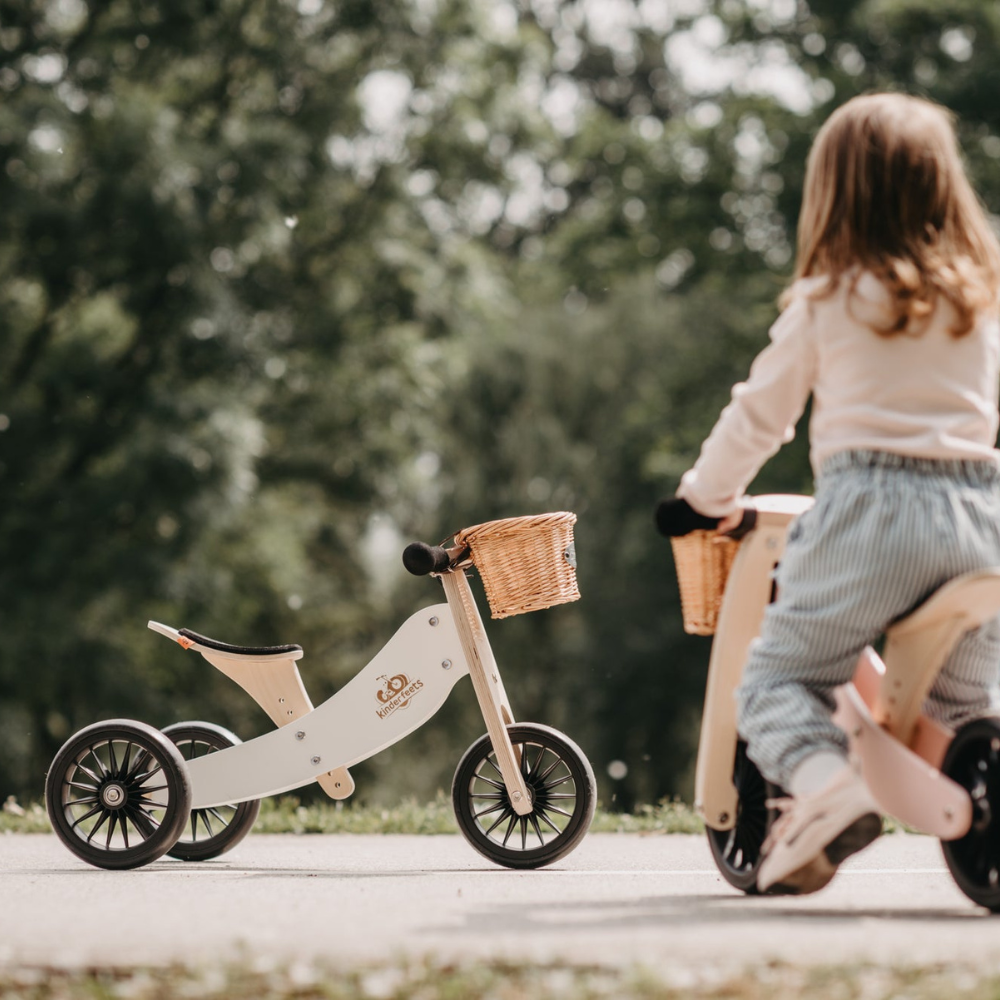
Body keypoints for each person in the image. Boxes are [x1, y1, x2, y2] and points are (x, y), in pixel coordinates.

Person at [665, 92, 1000, 894]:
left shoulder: (830, 298)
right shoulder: (982, 299)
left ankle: (827, 786)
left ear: (835, 193)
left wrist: (702, 497)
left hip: (869, 518)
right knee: (960, 710)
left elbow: (759, 415)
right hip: (982, 522)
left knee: (778, 680)